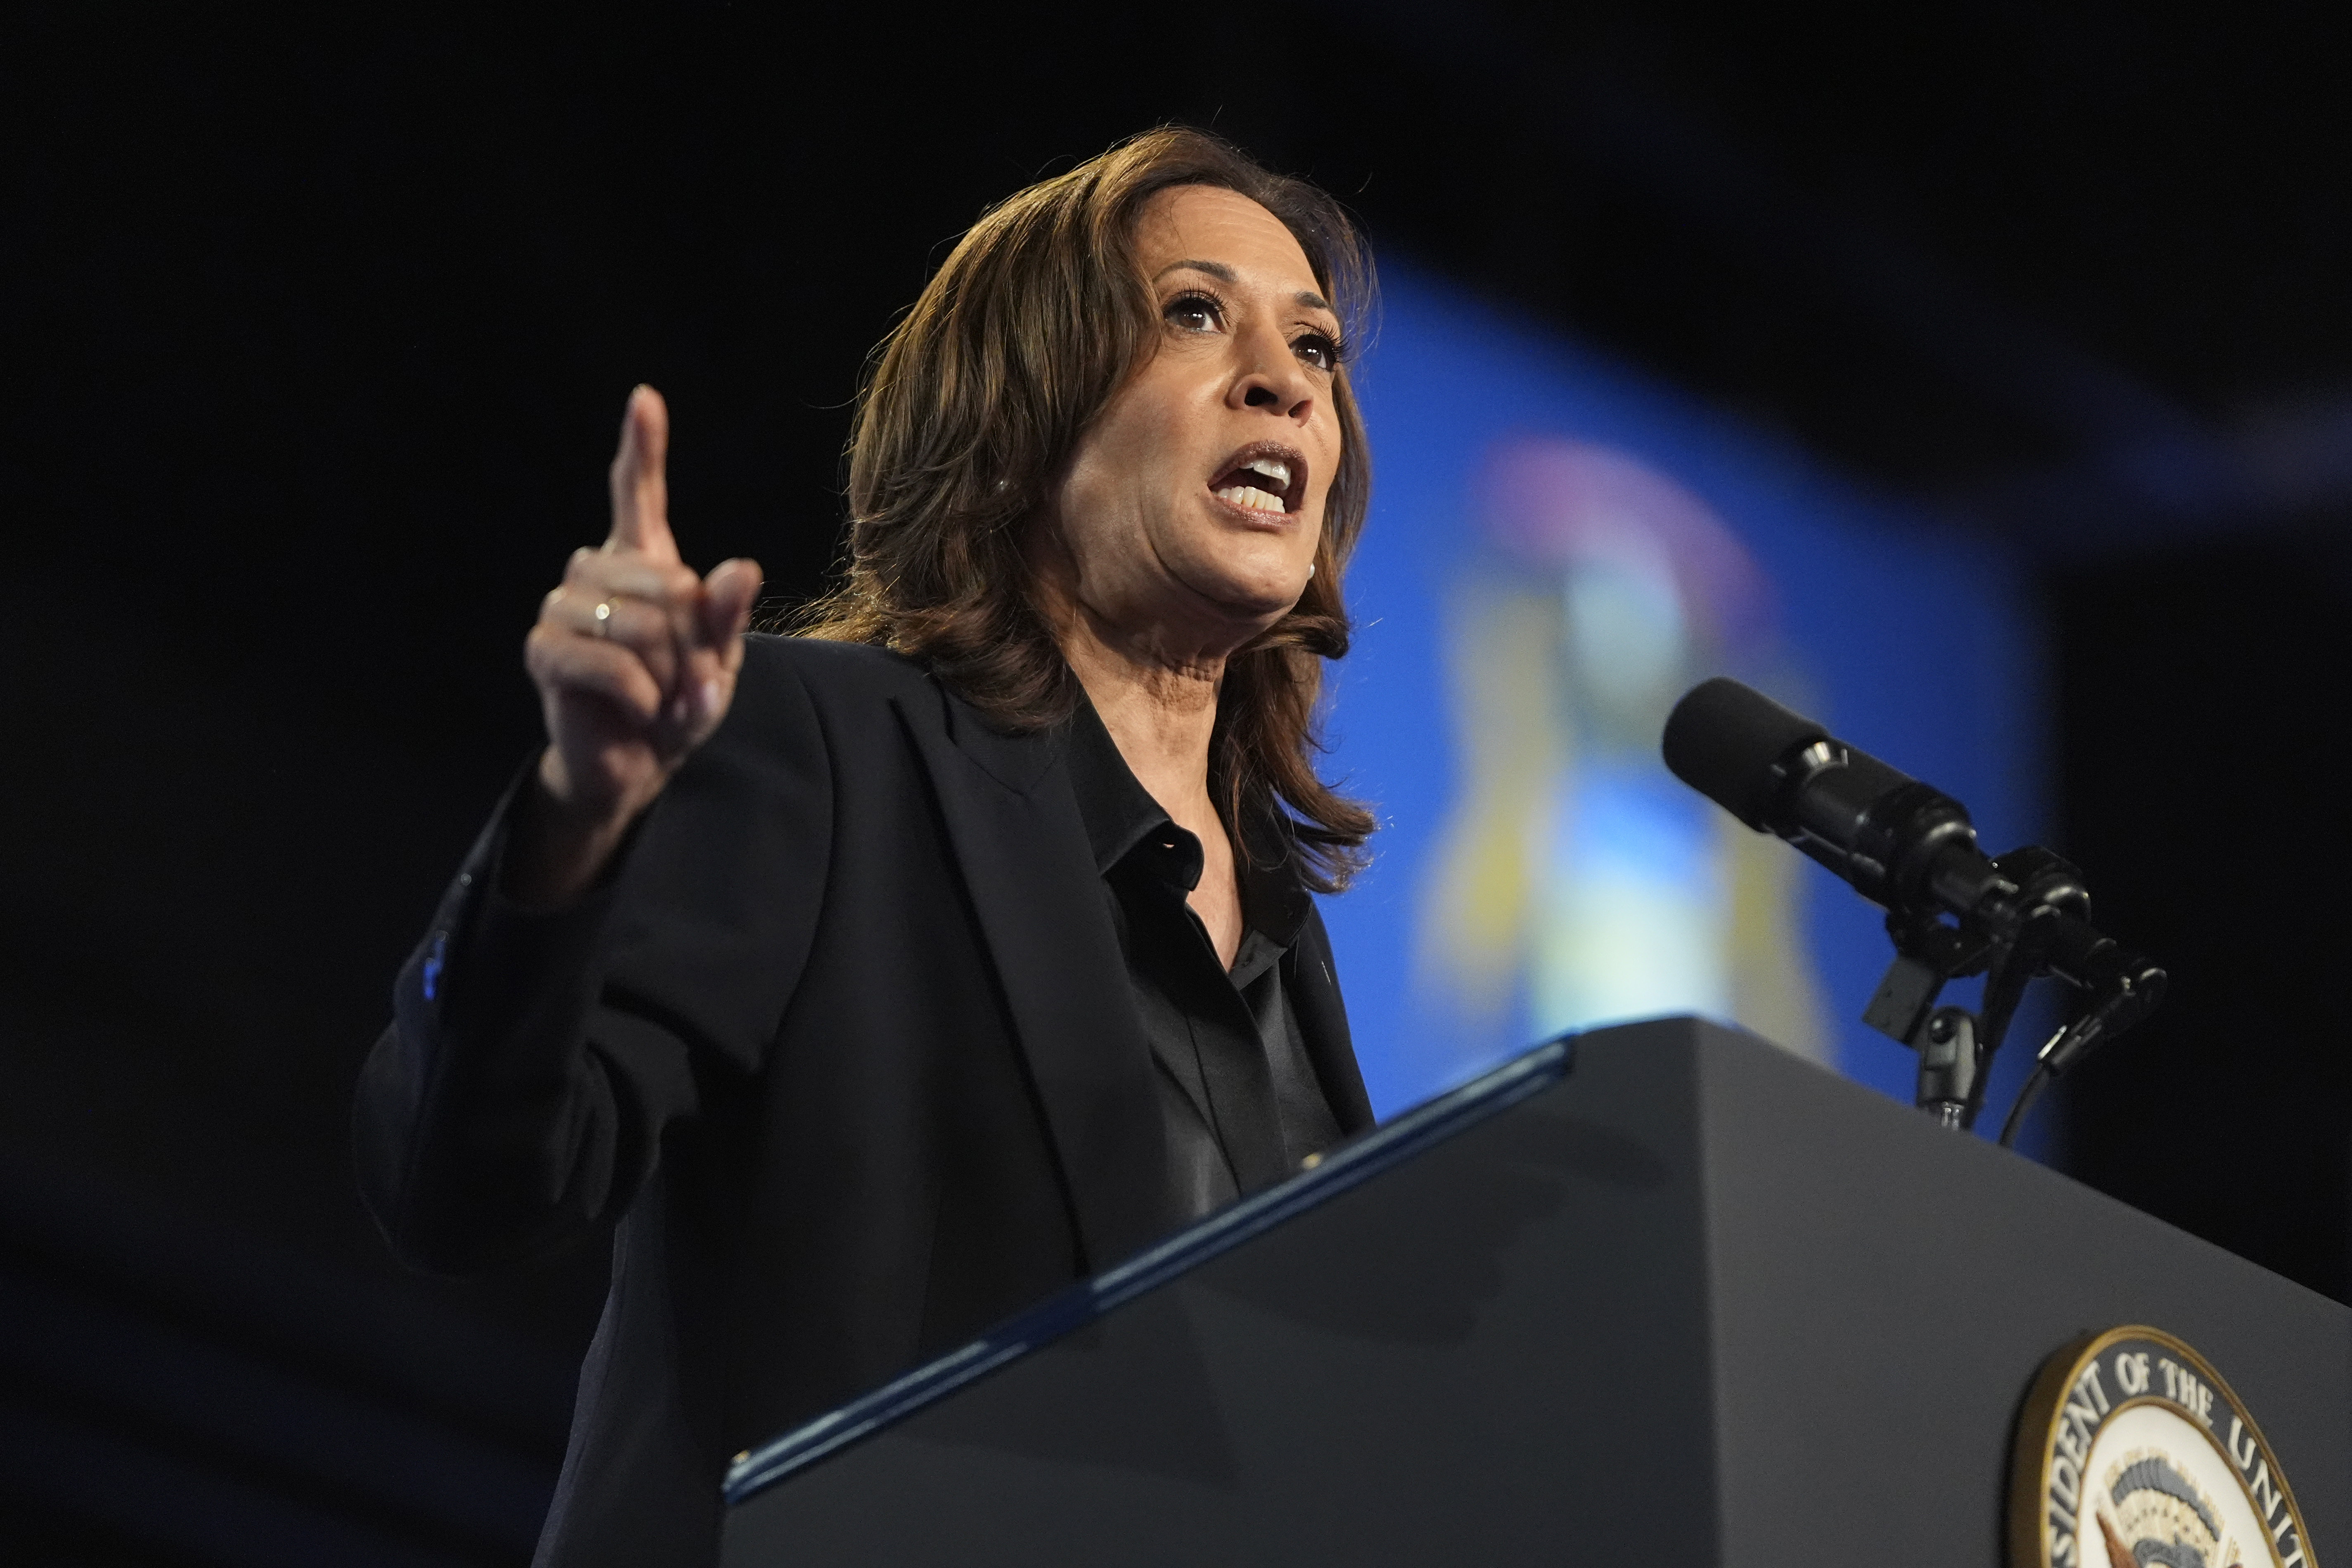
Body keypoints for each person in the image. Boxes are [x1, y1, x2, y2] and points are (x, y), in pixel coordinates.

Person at [356, 127, 1380, 1567]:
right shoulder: (823, 750)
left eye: (1318, 347)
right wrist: (580, 814)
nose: (1284, 377)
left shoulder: (1290, 944)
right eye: (1193, 314)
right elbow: (463, 1183)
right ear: (1023, 416)